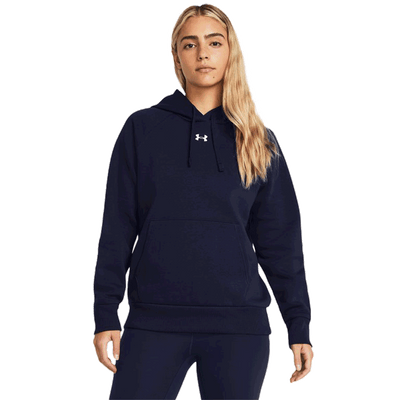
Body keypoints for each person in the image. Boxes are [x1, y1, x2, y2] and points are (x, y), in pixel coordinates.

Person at [92, 2, 314, 398]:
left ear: (230, 52)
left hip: (238, 328)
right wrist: (106, 312)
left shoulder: (257, 140)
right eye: (189, 44)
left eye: (214, 42)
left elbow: (281, 242)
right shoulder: (142, 129)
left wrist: (298, 326)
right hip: (154, 322)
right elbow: (117, 228)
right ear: (176, 55)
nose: (203, 54)